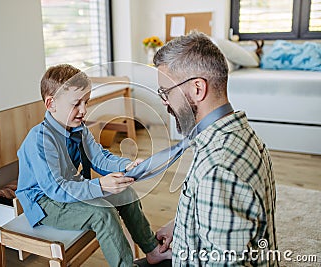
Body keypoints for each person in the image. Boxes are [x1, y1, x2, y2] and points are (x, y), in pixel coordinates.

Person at [15, 64, 171, 266]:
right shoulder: (39, 140)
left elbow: (100, 158)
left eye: (86, 102)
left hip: (71, 189)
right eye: (76, 104)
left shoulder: (79, 129)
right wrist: (101, 186)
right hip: (45, 203)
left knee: (127, 195)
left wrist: (127, 166)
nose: (84, 110)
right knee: (102, 214)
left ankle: (151, 249)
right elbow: (55, 189)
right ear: (51, 104)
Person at [153, 31, 278, 266]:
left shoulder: (218, 167)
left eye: (166, 92)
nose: (164, 102)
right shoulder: (234, 133)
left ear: (198, 89)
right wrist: (179, 229)